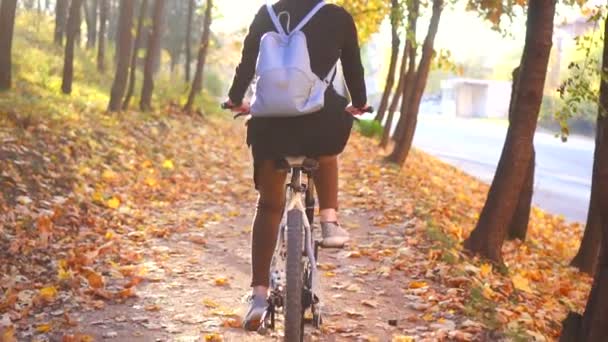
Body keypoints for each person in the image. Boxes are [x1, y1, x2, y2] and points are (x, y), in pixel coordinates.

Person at [224, 0, 369, 330]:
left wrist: (236, 99)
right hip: (319, 123)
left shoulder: (267, 15)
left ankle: (258, 297)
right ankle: (330, 222)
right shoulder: (338, 17)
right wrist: (358, 103)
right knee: (328, 141)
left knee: (269, 206)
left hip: (270, 128)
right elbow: (353, 69)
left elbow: (246, 64)